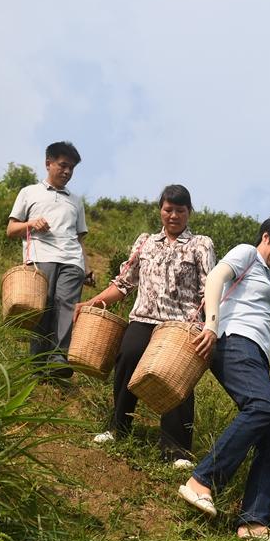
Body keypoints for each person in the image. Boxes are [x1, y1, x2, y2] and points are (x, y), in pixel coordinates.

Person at [178, 216, 270, 541]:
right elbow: (217, 276)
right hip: (232, 341)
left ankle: (254, 524)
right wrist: (211, 326)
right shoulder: (247, 252)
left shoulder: (266, 277)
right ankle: (201, 482)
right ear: (266, 237)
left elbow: (265, 323)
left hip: (253, 349)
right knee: (261, 407)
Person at [77, 184, 216, 467]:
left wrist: (208, 324)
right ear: (160, 211)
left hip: (180, 325)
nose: (174, 215)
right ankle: (119, 428)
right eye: (168, 209)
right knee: (127, 357)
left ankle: (176, 450)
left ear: (189, 212)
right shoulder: (145, 242)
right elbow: (124, 283)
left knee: (176, 378)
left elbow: (209, 288)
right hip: (143, 318)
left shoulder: (201, 244)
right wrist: (94, 302)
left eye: (180, 210)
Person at [6, 141, 87, 378]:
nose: (67, 171)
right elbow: (11, 230)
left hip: (72, 260)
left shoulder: (76, 200)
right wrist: (31, 224)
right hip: (40, 256)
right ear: (48, 163)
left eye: (71, 168)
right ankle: (37, 364)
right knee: (44, 305)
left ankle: (58, 358)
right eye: (63, 165)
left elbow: (80, 239)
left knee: (66, 305)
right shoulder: (29, 192)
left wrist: (87, 267)